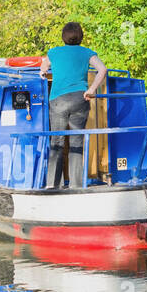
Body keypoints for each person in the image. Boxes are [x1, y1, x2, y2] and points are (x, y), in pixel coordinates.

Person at [40, 22, 106, 188]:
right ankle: (76, 186)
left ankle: (53, 184)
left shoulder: (53, 52)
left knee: (56, 142)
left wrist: (43, 72)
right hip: (80, 100)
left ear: (63, 37)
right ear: (81, 37)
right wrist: (91, 89)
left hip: (58, 101)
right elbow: (102, 69)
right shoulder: (87, 53)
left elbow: (43, 66)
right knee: (76, 143)